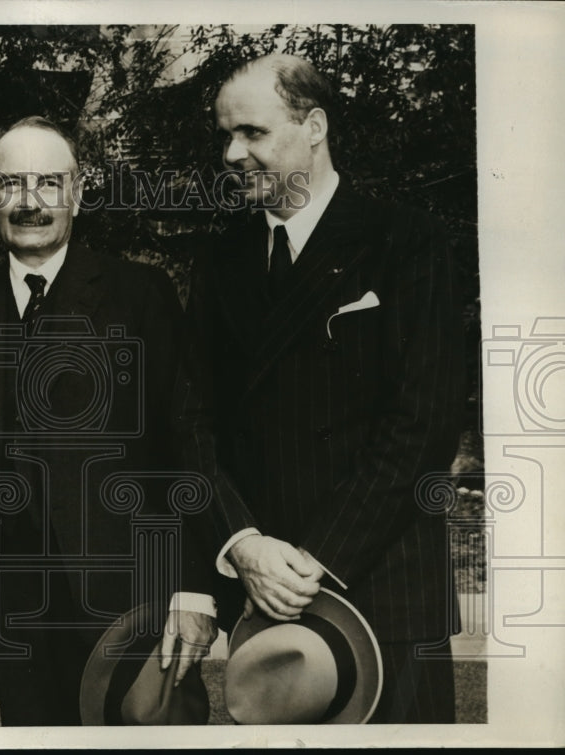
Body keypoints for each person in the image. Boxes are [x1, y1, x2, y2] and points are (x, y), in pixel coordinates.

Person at [184, 54, 464, 723]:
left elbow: (423, 423)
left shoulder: (409, 242)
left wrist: (314, 561)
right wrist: (244, 545)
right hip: (267, 608)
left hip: (384, 593)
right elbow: (189, 421)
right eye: (226, 136)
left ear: (314, 126)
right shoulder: (219, 261)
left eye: (251, 132)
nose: (231, 152)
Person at [0, 116, 217, 725]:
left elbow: (186, 442)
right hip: (15, 628)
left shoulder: (141, 296)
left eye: (50, 183)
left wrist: (193, 589)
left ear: (78, 193)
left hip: (136, 611)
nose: (31, 203)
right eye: (12, 184)